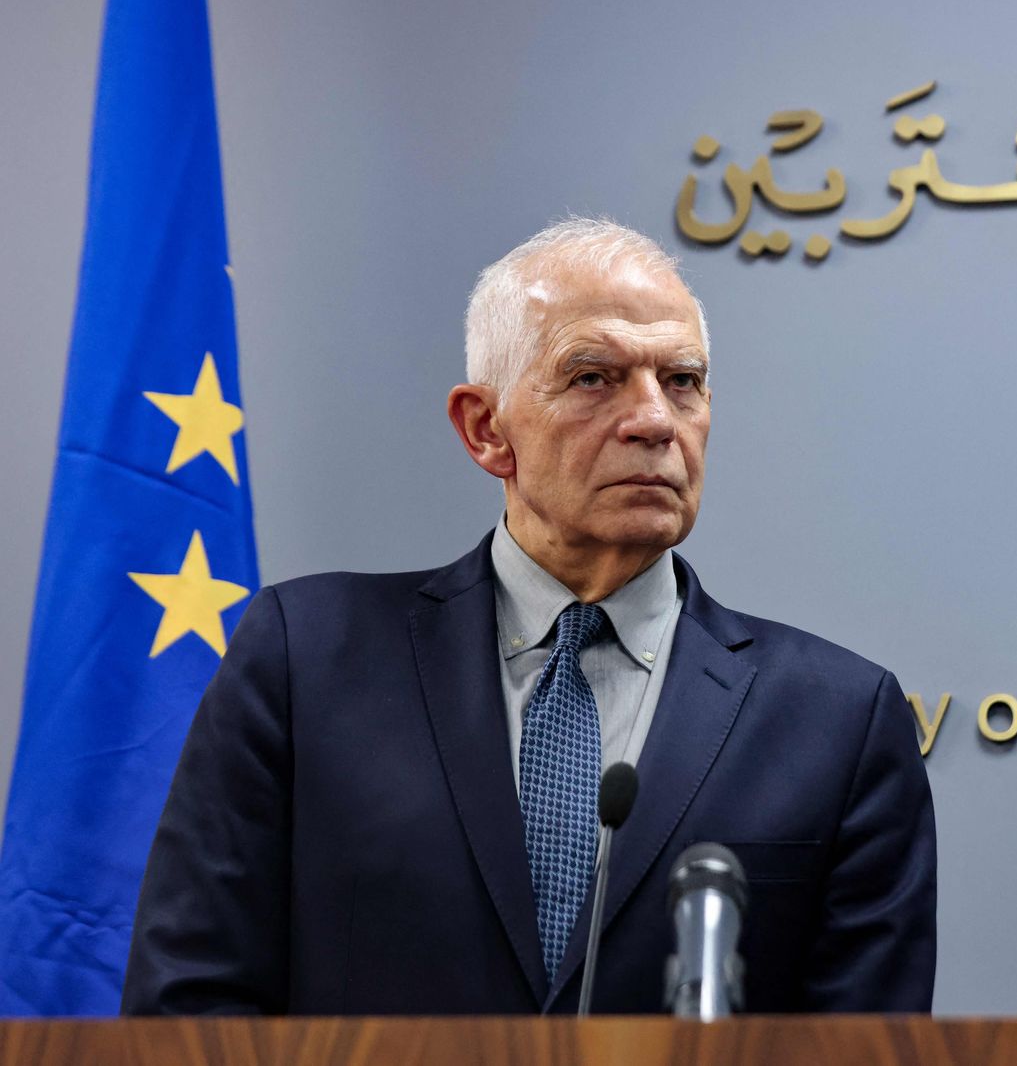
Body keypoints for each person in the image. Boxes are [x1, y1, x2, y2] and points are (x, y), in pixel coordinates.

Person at [121, 218, 937, 1014]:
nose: (655, 420)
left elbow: (867, 1040)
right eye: (594, 377)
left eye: (681, 381)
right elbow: (189, 1009)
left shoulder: (840, 721)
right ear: (486, 429)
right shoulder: (306, 659)